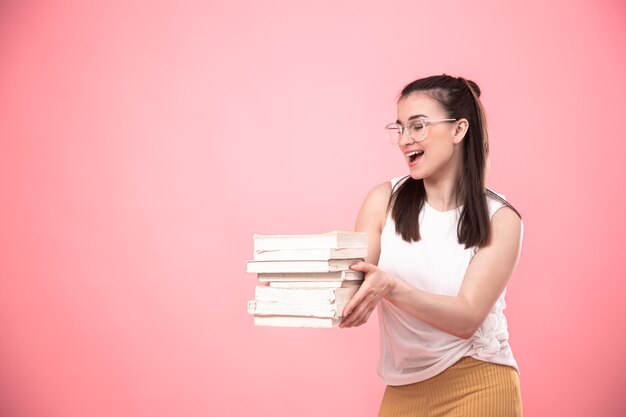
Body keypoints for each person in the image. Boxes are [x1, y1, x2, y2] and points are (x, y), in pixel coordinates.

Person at [340, 74, 523, 416]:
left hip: (478, 382)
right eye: (400, 128)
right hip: (402, 388)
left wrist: (391, 288)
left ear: (458, 130)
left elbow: (467, 318)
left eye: (418, 126)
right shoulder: (384, 201)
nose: (404, 140)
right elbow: (352, 282)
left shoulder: (500, 218)